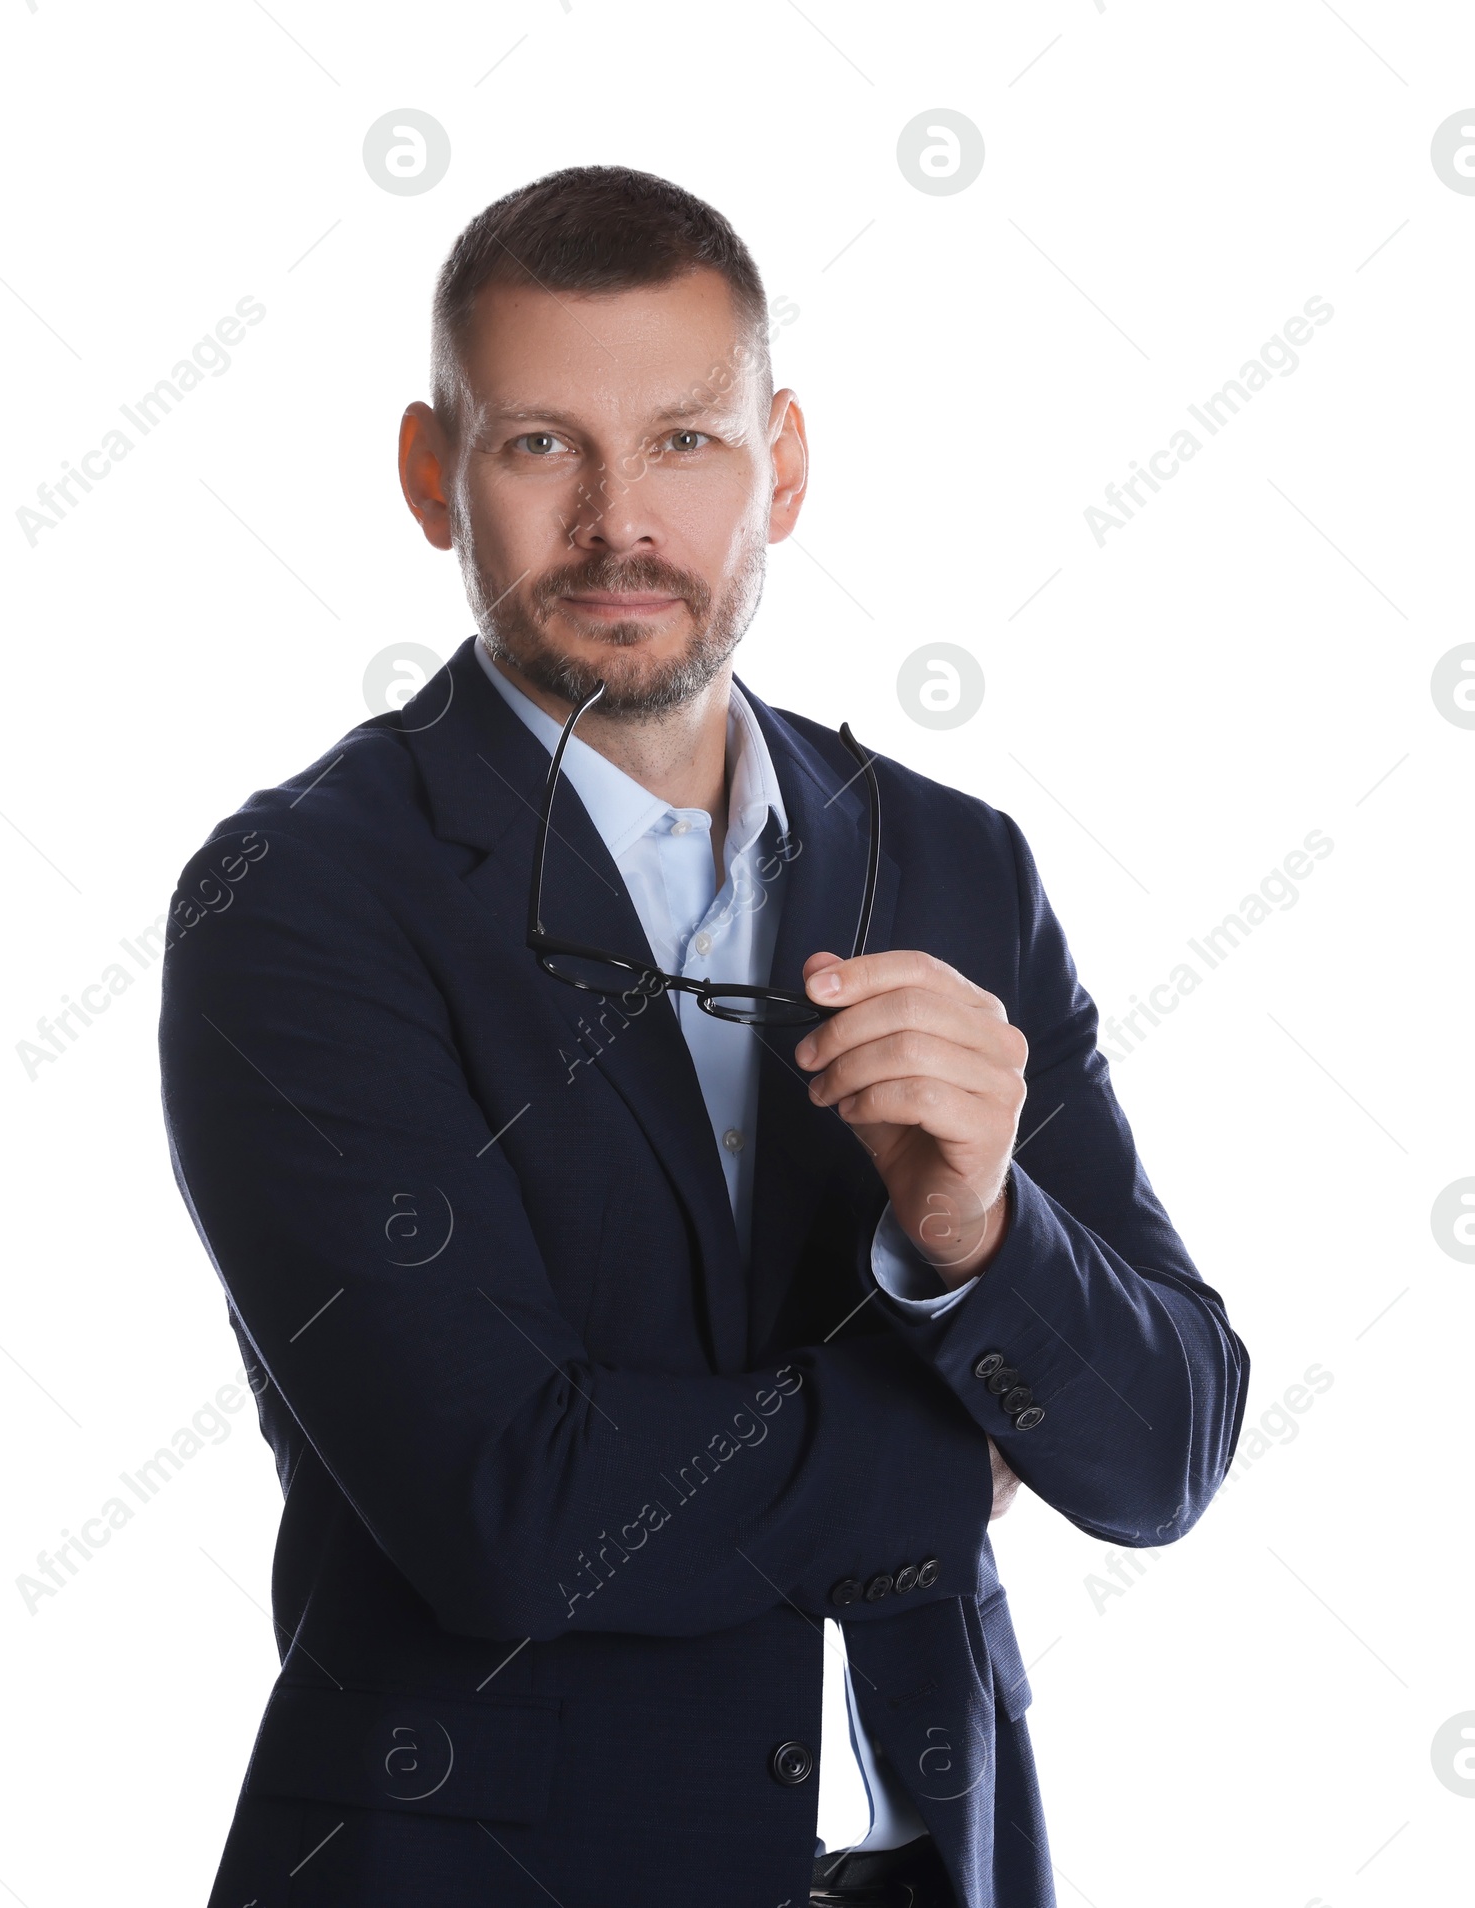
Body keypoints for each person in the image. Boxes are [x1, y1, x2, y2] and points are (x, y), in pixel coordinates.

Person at [159, 165, 1248, 1908]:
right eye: (538, 447)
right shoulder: (297, 900)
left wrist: (975, 1236)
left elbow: (1167, 1442)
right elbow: (507, 1509)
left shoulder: (950, 859)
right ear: (433, 479)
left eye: (682, 441)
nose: (617, 523)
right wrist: (965, 1450)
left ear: (783, 468)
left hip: (933, 1866)